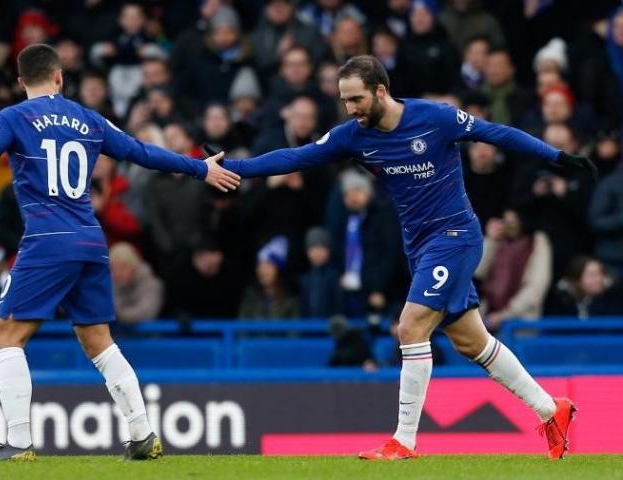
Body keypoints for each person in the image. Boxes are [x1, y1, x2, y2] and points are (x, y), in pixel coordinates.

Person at [218, 55, 597, 460]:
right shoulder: (353, 136)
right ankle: (550, 409)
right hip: (418, 244)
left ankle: (404, 441)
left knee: (411, 326)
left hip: (455, 236)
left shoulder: (436, 118)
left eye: (357, 99)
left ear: (381, 90)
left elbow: (498, 134)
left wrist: (556, 157)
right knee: (471, 341)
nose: (351, 109)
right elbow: (296, 158)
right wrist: (235, 166)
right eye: (345, 101)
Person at [0, 43, 240, 462]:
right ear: (60, 76)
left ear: (21, 81)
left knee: (5, 337)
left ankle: (19, 441)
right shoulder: (88, 118)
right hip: (92, 241)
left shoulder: (12, 117)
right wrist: (200, 167)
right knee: (98, 341)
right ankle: (143, 435)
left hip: (47, 241)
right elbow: (141, 152)